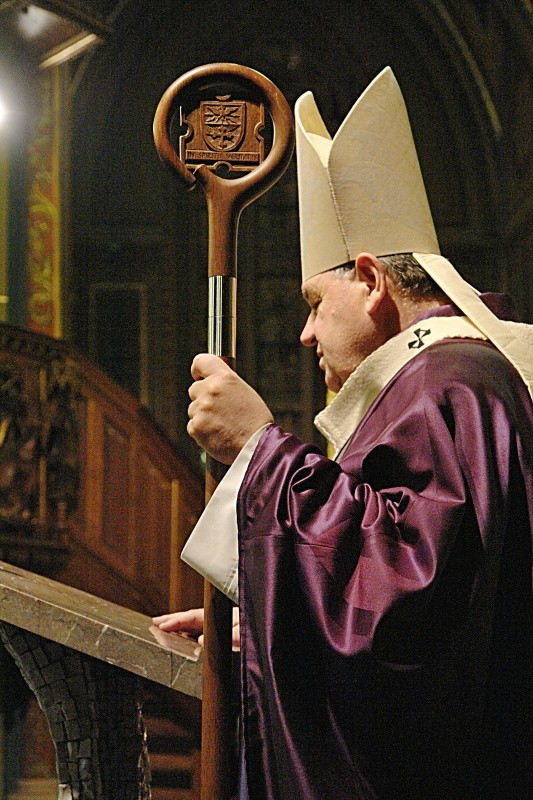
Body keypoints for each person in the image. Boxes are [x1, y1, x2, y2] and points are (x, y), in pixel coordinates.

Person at [153, 68, 532, 800]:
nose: (304, 332)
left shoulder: (448, 385)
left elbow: (409, 614)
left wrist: (259, 448)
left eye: (314, 302)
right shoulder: (439, 381)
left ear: (370, 280)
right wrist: (271, 613)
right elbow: (403, 595)